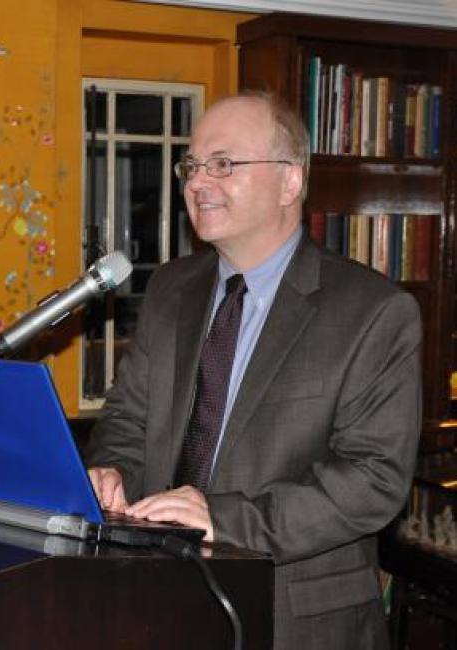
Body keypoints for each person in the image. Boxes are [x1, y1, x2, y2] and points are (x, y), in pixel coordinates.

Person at [86, 90, 421, 649]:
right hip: (160, 597)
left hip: (294, 617)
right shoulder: (171, 290)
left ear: (291, 181)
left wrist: (223, 518)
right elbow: (127, 418)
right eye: (192, 166)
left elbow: (374, 480)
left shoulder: (373, 312)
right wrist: (111, 470)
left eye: (223, 164)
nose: (196, 182)